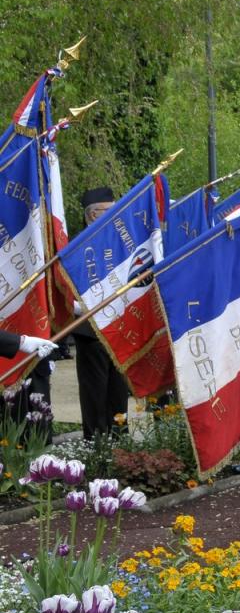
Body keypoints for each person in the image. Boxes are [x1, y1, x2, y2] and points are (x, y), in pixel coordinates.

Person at [73, 187, 131, 439]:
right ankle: (95, 443)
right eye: (110, 210)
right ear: (93, 215)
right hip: (91, 329)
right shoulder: (75, 246)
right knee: (94, 391)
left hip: (118, 326)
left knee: (118, 392)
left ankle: (119, 440)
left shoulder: (117, 241)